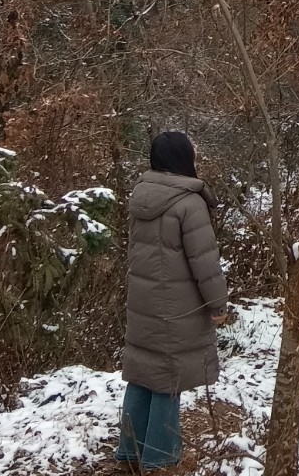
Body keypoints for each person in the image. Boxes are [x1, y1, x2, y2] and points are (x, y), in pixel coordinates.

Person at [114, 131, 227, 470]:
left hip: (144, 302)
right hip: (178, 308)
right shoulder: (189, 203)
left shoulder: (141, 195)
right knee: (168, 378)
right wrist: (218, 305)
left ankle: (130, 453)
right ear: (182, 158)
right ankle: (160, 460)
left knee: (142, 373)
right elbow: (205, 263)